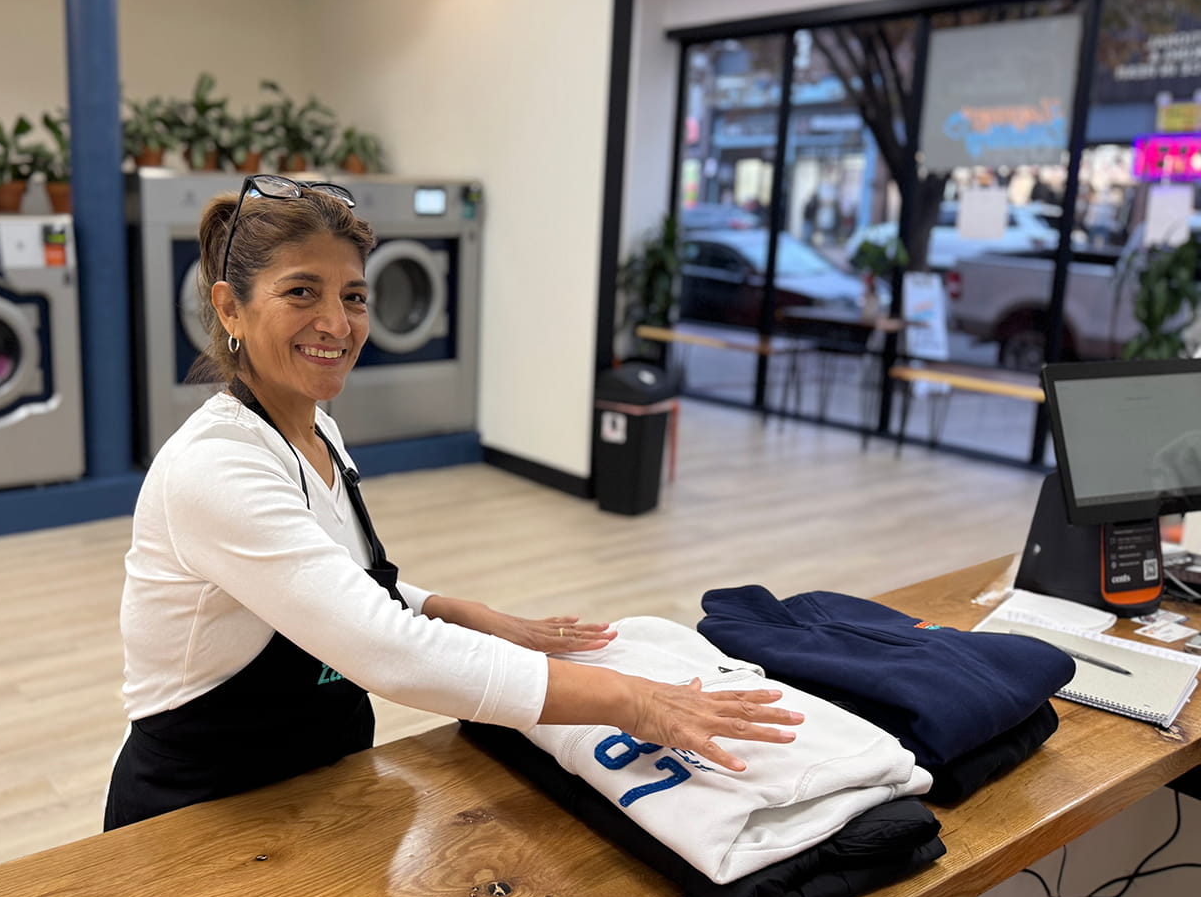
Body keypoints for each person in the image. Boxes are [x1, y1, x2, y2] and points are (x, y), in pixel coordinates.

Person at [104, 175, 805, 830]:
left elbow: (321, 582)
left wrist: (464, 613)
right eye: (301, 293)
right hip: (201, 813)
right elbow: (385, 652)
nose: (337, 323)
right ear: (230, 306)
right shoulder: (216, 468)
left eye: (353, 296)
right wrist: (636, 701)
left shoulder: (315, 430)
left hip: (317, 784)